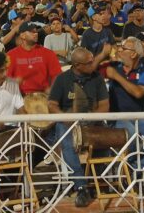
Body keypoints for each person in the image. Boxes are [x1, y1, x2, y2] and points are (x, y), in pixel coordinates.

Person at [47, 47, 109, 208]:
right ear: (77, 65)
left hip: (92, 120)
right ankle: (81, 186)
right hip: (68, 122)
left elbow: (104, 105)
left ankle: (98, 180)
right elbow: (52, 105)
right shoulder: (62, 79)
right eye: (89, 63)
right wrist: (65, 117)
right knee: (66, 140)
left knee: (106, 141)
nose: (93, 64)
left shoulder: (97, 78)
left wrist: (92, 118)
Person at [105, 38, 144, 165]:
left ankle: (137, 167)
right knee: (132, 134)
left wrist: (116, 77)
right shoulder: (114, 67)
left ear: (133, 54)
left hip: (139, 116)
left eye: (124, 48)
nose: (120, 50)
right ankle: (129, 168)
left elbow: (138, 93)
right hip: (117, 117)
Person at [7, 21, 62, 95]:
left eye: (36, 31)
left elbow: (57, 76)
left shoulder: (48, 54)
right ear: (22, 35)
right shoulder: (11, 55)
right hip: (19, 97)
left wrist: (53, 91)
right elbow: (5, 78)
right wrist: (15, 82)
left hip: (43, 96)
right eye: (31, 32)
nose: (35, 34)